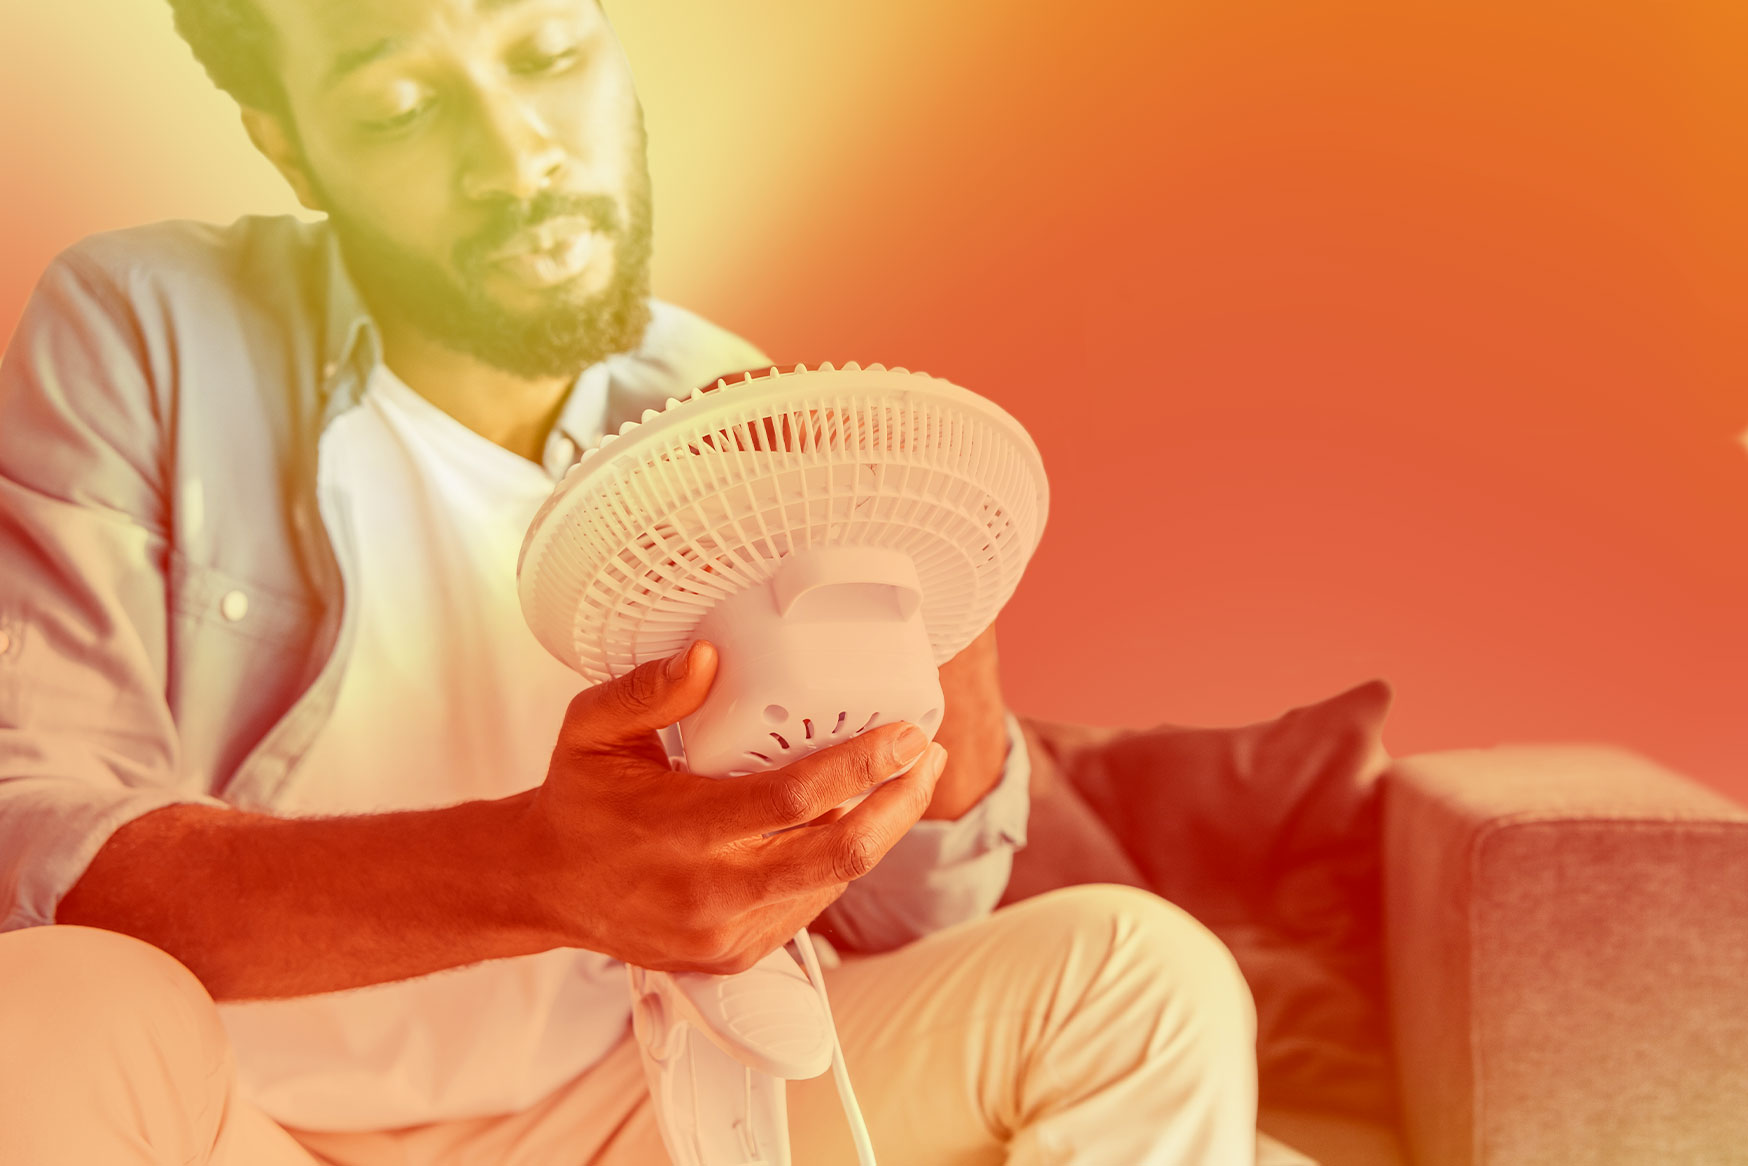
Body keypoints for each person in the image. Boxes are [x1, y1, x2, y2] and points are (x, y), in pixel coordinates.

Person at [0, 0, 1260, 1162]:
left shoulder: (730, 409)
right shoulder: (147, 327)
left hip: (631, 1106)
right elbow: (38, 848)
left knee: (1143, 978)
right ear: (285, 138)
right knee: (44, 1007)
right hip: (238, 1116)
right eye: (400, 106)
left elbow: (901, 921)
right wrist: (532, 872)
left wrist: (948, 661)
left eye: (548, 55)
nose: (519, 156)